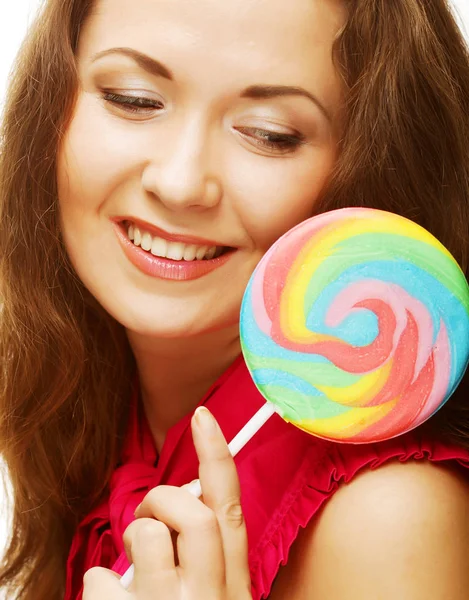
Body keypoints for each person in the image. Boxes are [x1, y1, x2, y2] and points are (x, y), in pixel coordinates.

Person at [1, 0, 469, 598]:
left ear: (366, 171)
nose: (180, 182)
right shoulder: (87, 413)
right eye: (133, 99)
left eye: (270, 134)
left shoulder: (389, 519)